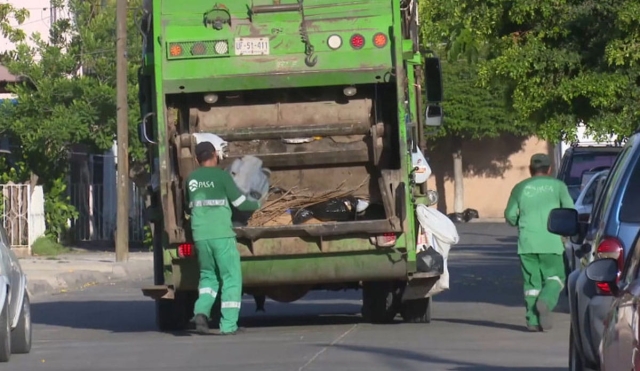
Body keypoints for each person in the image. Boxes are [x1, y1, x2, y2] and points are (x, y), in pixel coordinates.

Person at [186, 141, 261, 335]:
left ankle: (201, 311)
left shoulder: (191, 179)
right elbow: (240, 203)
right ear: (215, 155)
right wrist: (258, 203)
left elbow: (189, 206)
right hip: (221, 235)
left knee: (208, 277)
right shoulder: (222, 177)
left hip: (200, 236)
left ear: (196, 159)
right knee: (231, 277)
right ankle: (228, 325)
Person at [504, 153, 575, 332]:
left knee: (531, 284)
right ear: (550, 169)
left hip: (527, 243)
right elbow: (569, 211)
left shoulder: (520, 187)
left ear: (530, 169)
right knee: (556, 278)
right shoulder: (558, 186)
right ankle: (546, 301)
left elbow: (510, 214)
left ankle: (533, 321)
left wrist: (518, 221)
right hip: (551, 242)